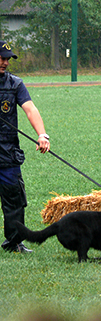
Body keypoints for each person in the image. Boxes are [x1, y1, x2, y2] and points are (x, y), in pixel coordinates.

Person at [0, 40, 50, 253]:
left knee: (14, 200)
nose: (5, 63)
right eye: (1, 58)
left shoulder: (15, 84)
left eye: (7, 59)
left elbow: (30, 108)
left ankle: (13, 243)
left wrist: (42, 134)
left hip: (8, 153)